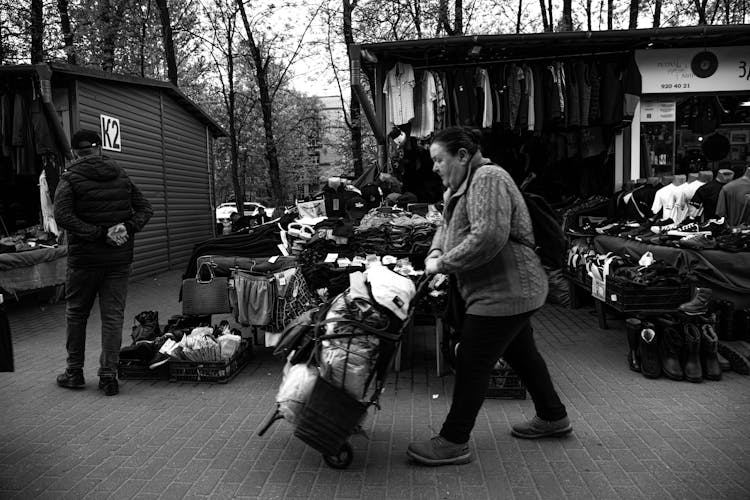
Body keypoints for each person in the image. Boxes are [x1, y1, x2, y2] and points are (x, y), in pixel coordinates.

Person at [407, 126, 571, 466]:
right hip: (500, 289)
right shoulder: (459, 186)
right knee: (523, 354)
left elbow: (488, 236)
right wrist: (436, 251)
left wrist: (443, 264)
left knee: (472, 360)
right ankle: (553, 417)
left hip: (506, 289)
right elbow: (445, 226)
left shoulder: (489, 179)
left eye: (439, 160)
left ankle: (454, 440)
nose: (435, 167)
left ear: (463, 155)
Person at [54, 129, 153, 396]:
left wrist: (97, 233)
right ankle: (108, 376)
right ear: (99, 148)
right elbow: (146, 208)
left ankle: (74, 373)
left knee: (76, 314)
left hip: (84, 261)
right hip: (118, 260)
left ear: (76, 151)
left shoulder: (70, 178)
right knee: (112, 318)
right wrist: (125, 227)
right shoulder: (120, 174)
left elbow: (61, 216)